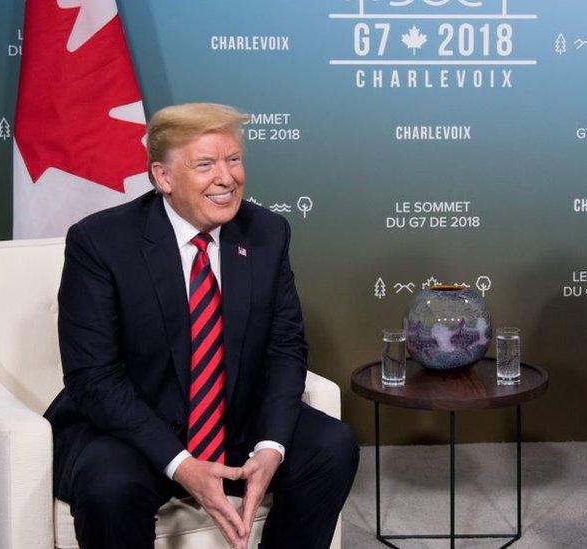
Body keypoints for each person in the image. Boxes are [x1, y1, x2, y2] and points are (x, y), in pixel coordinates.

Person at [44, 103, 358, 549]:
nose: (227, 177)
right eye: (205, 164)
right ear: (163, 177)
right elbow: (92, 378)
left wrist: (271, 446)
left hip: (233, 421)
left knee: (332, 447)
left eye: (233, 159)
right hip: (131, 428)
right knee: (109, 488)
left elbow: (284, 348)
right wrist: (181, 464)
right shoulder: (100, 243)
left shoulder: (266, 232)